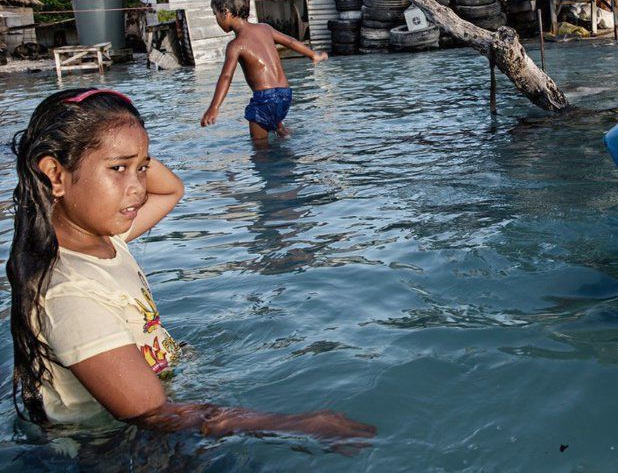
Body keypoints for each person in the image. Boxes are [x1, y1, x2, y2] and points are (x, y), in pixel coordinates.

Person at [7, 88, 375, 442]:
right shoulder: (70, 295)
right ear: (55, 175)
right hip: (108, 447)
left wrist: (128, 151)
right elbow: (153, 414)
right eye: (118, 168)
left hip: (146, 412)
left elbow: (171, 190)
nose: (137, 187)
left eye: (142, 168)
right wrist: (299, 424)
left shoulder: (106, 239)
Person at [201, 0, 327, 140]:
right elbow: (292, 42)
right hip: (285, 95)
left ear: (226, 12)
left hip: (265, 99)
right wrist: (313, 55)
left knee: (260, 149)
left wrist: (214, 107)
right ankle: (280, 129)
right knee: (277, 125)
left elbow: (226, 77)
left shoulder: (236, 45)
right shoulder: (265, 28)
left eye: (216, 14)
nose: (216, 20)